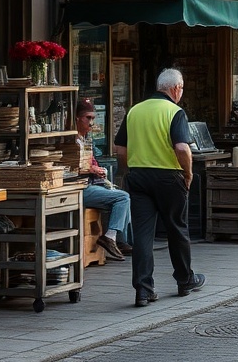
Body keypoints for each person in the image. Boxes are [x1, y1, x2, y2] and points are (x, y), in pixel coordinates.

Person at [114, 68, 205, 308]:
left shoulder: (134, 110)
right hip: (168, 177)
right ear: (175, 88)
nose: (181, 93)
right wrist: (188, 174)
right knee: (177, 228)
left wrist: (128, 172)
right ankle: (185, 279)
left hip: (139, 177)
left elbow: (120, 150)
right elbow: (183, 149)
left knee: (143, 234)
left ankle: (143, 290)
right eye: (182, 88)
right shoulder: (174, 111)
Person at [75, 99, 132, 261]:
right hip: (81, 187)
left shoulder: (85, 139)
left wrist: (98, 170)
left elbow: (91, 163)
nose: (91, 122)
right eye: (88, 118)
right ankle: (111, 237)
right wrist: (92, 170)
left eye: (93, 118)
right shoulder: (71, 141)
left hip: (92, 183)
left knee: (123, 196)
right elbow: (72, 166)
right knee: (123, 197)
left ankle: (121, 241)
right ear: (77, 119)